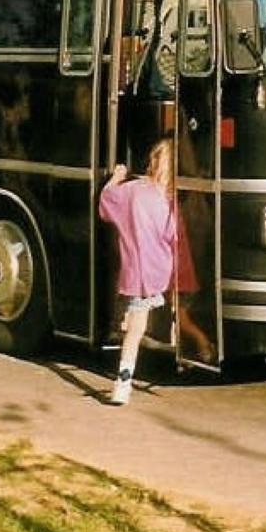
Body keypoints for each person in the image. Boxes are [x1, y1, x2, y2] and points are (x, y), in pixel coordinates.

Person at [98, 139, 175, 405]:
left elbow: (106, 203)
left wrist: (116, 177)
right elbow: (171, 235)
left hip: (133, 272)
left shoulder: (131, 190)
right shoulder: (166, 201)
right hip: (156, 272)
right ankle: (123, 382)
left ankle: (123, 382)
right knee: (137, 329)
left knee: (134, 325)